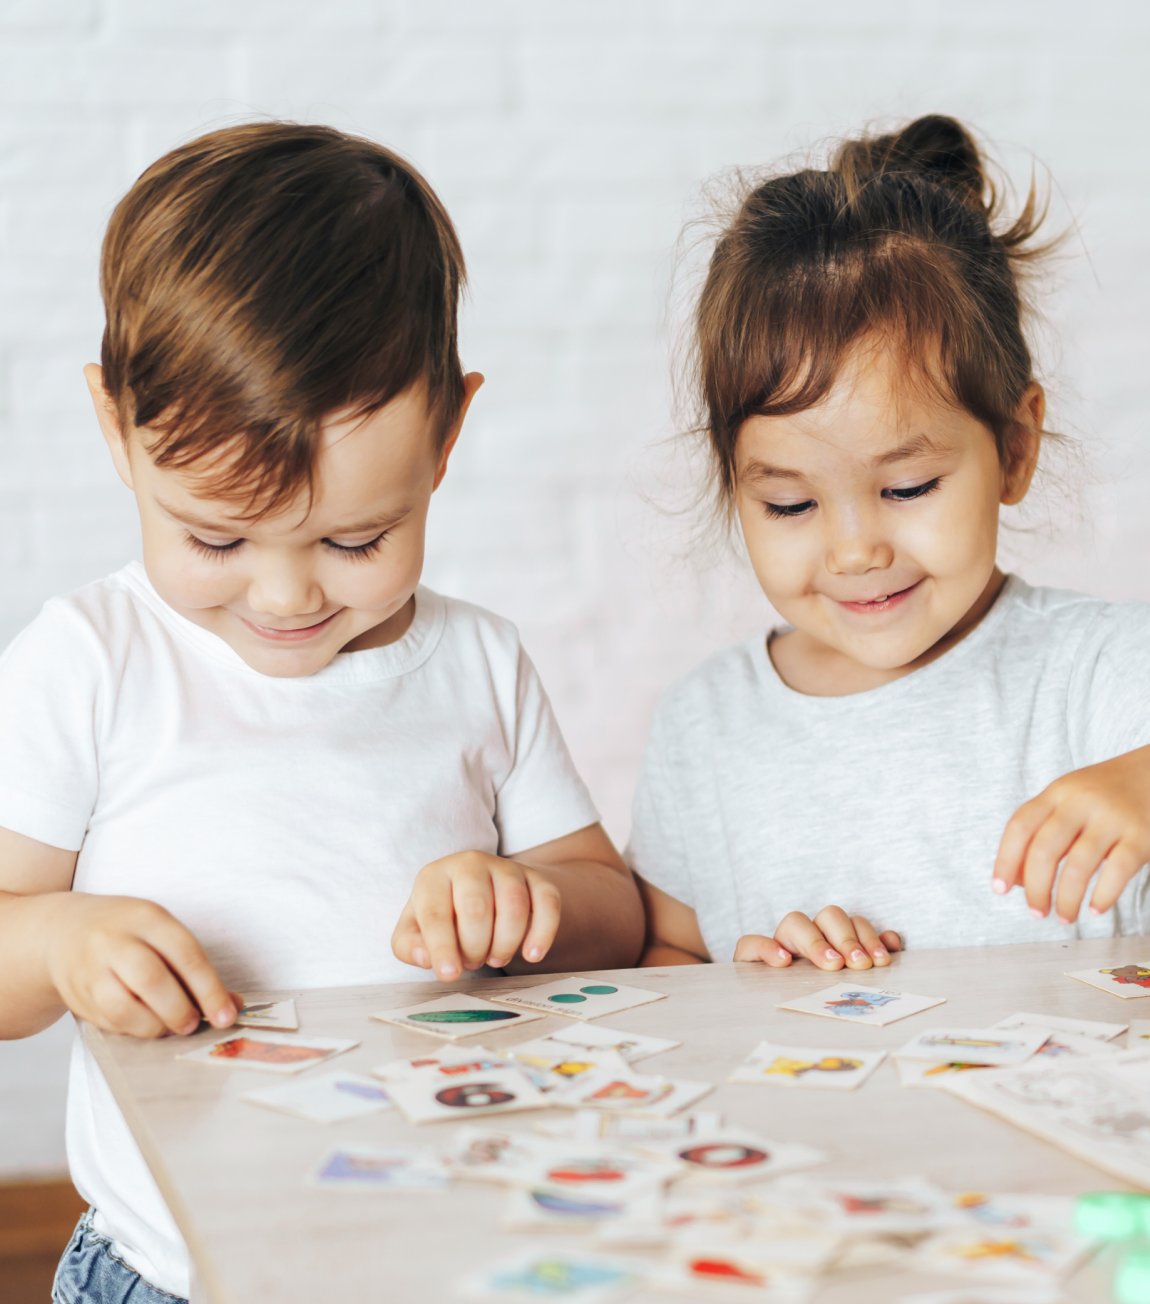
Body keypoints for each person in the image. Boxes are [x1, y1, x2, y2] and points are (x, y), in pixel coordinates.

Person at [0, 122, 643, 1304]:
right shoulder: (91, 661)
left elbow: (615, 908)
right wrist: (52, 941)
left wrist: (531, 899)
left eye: (356, 540)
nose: (288, 594)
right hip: (176, 1269)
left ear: (447, 435)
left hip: (443, 1252)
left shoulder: (476, 664)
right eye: (215, 537)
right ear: (115, 429)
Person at [629, 114, 1150, 974]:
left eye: (907, 489)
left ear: (1013, 449)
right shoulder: (705, 725)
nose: (854, 550)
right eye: (791, 504)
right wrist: (740, 984)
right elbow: (668, 951)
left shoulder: (1101, 675)